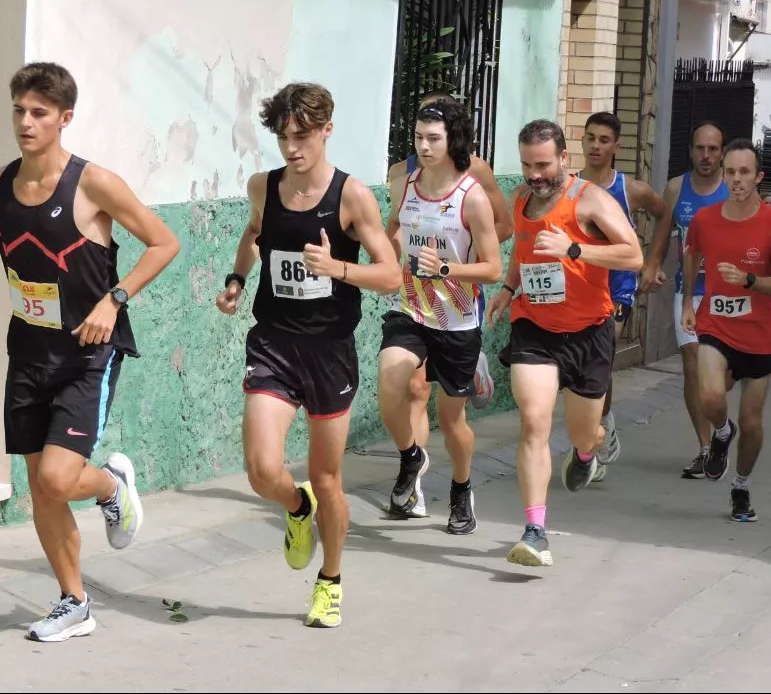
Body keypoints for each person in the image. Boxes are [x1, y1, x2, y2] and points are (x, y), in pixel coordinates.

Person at [0, 62, 180, 641]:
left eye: (39, 112)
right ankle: (74, 601)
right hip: (28, 351)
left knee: (62, 478)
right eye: (19, 110)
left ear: (65, 119)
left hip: (88, 352)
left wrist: (113, 299)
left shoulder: (95, 185)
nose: (26, 122)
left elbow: (164, 242)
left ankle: (114, 488)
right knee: (41, 485)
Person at [216, 82, 401, 629]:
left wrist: (338, 269)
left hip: (329, 352)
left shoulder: (352, 197)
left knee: (326, 477)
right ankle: (296, 510)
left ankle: (330, 580)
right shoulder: (263, 187)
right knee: (260, 468)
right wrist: (236, 277)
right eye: (283, 137)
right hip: (273, 342)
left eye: (302, 136)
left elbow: (391, 275)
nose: (292, 148)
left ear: (326, 130)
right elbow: (254, 233)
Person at [486, 119, 643, 567]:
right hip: (534, 327)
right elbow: (524, 251)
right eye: (526, 165)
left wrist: (575, 249)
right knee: (534, 421)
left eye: (542, 165)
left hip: (589, 333)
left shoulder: (590, 200)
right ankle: (535, 530)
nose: (534, 175)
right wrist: (509, 289)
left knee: (580, 430)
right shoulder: (521, 200)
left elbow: (632, 253)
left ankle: (588, 449)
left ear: (563, 160)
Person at [379, 100, 503, 534]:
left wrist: (446, 269)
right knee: (390, 385)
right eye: (419, 138)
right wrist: (391, 255)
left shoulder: (471, 197)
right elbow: (394, 227)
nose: (425, 146)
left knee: (452, 421)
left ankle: (461, 488)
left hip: (456, 320)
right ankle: (412, 457)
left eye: (434, 138)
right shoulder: (407, 183)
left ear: (453, 141)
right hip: (410, 309)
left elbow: (493, 267)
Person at [681, 138, 771, 522]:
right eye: (729, 172)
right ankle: (720, 432)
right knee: (711, 397)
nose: (735, 179)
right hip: (715, 325)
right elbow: (692, 255)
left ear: (759, 177)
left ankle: (742, 485)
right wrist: (687, 302)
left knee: (752, 422)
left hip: (759, 335)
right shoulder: (705, 219)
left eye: (744, 172)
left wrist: (750, 280)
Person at [576, 112, 671, 469]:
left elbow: (666, 214)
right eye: (590, 138)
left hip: (618, 291)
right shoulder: (569, 186)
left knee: (599, 357)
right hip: (580, 290)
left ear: (616, 146)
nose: (596, 146)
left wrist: (653, 262)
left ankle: (598, 434)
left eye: (604, 140)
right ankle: (604, 422)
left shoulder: (631, 190)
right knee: (583, 364)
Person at [654, 122, 729, 479]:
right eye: (700, 148)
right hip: (688, 293)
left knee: (720, 376)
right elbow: (663, 233)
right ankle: (706, 447)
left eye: (713, 149)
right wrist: (652, 265)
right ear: (691, 150)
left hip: (727, 296)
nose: (706, 156)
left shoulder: (734, 190)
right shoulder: (675, 188)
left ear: (722, 152)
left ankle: (722, 431)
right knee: (692, 364)